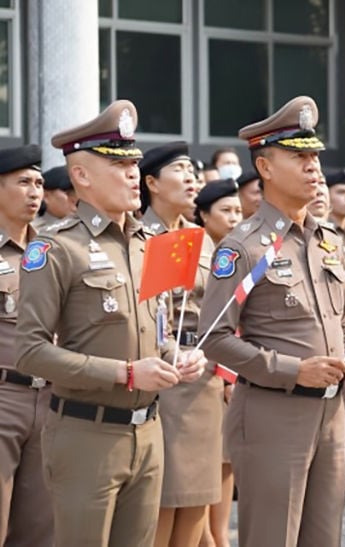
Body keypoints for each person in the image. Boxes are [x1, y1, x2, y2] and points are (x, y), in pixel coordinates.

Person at [15, 100, 207, 546]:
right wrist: (123, 373)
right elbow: (31, 351)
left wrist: (174, 356)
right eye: (119, 165)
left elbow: (154, 330)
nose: (133, 174)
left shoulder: (149, 244)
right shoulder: (56, 248)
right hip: (87, 436)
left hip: (149, 430)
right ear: (81, 176)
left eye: (134, 163)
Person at [198, 95, 345, 547]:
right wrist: (295, 370)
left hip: (332, 414)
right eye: (299, 157)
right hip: (273, 414)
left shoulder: (329, 239)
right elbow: (213, 338)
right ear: (266, 167)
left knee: (324, 538)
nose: (314, 167)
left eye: (315, 156)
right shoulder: (244, 246)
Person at [138, 142, 225, 547]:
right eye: (179, 170)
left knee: (197, 501)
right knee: (163, 501)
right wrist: (173, 353)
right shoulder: (139, 236)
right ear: (151, 183)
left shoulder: (199, 237)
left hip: (203, 375)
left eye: (193, 169)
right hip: (164, 375)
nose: (191, 177)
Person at [0, 144, 52, 546]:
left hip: (50, 398)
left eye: (39, 182)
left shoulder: (53, 251)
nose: (35, 191)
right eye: (23, 182)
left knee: (40, 527)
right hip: (3, 398)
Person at [190, 178, 242, 547]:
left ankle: (218, 537)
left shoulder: (239, 250)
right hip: (206, 367)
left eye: (238, 210)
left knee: (225, 460)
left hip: (237, 366)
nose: (235, 217)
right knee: (204, 465)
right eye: (226, 210)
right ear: (204, 215)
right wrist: (226, 373)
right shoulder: (198, 249)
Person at [32, 165, 77, 230]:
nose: (75, 199)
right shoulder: (31, 230)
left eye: (76, 193)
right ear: (45, 196)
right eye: (68, 193)